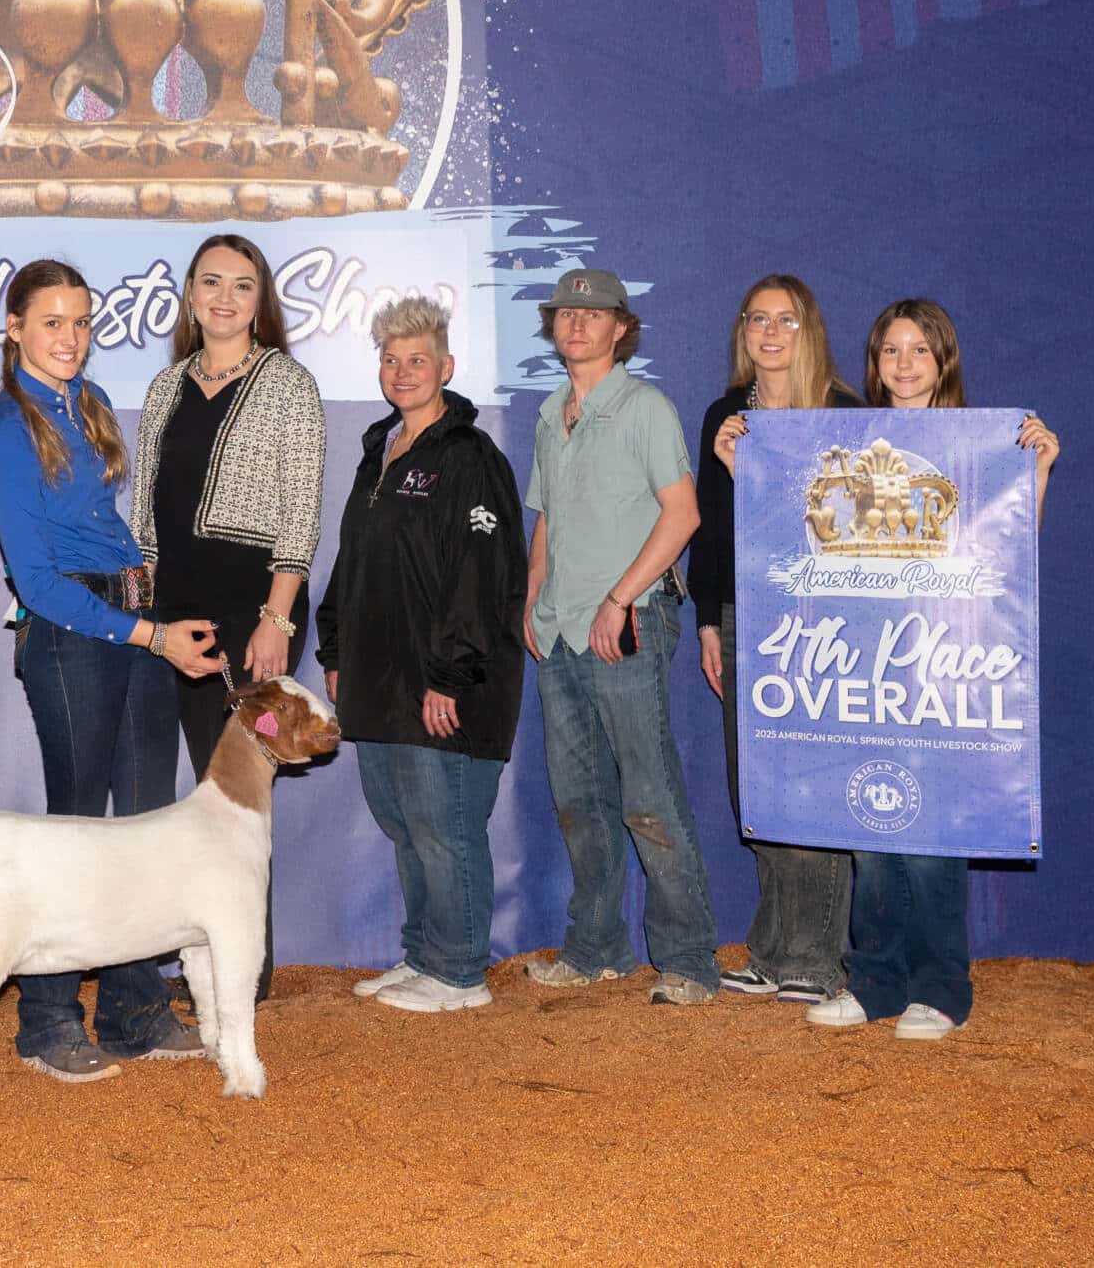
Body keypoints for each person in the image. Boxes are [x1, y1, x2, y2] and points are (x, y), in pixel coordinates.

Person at [0, 258, 216, 1081]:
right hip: (73, 632)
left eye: (80, 322)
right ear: (14, 329)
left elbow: (106, 525)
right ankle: (46, 1019)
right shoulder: (5, 432)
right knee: (74, 831)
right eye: (51, 322)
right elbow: (35, 582)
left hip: (133, 615)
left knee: (143, 827)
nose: (69, 337)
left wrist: (152, 611)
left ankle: (134, 1010)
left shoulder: (91, 402)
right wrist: (151, 636)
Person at [807, 298, 1058, 1041]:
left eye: (920, 349)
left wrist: (1038, 469)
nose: (905, 363)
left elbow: (1010, 546)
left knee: (932, 836)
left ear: (943, 358)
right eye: (891, 349)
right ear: (874, 362)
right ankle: (875, 981)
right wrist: (742, 464)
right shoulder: (846, 444)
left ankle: (941, 989)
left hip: (943, 665)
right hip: (866, 662)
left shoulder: (980, 444)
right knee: (870, 831)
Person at [127, 232, 323, 1000]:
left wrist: (278, 617)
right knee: (204, 796)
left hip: (252, 611)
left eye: (243, 285)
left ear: (260, 300)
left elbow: (300, 512)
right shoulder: (165, 386)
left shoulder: (289, 384)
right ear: (190, 295)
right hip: (175, 617)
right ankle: (202, 952)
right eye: (211, 282)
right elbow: (145, 511)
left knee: (240, 798)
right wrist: (141, 603)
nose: (225, 297)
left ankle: (245, 970)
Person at [318, 296, 526, 1014]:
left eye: (417, 360)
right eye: (391, 360)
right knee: (406, 824)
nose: (402, 372)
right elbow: (353, 560)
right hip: (380, 681)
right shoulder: (379, 451)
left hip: (444, 684)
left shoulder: (470, 457)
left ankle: (462, 972)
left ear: (446, 367)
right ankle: (427, 954)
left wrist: (451, 675)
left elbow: (482, 573)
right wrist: (336, 647)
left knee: (446, 828)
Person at [519, 267, 720, 1004]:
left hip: (627, 622)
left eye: (594, 313)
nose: (577, 323)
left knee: (648, 794)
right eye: (566, 313)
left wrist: (620, 597)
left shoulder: (645, 408)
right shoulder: (551, 414)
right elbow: (547, 515)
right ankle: (597, 947)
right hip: (562, 628)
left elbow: (683, 514)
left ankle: (690, 960)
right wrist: (533, 595)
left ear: (620, 328)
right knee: (579, 799)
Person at [693, 275, 861, 1006]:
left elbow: (843, 528)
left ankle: (818, 957)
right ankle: (770, 950)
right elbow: (711, 525)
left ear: (809, 329)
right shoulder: (726, 414)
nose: (769, 332)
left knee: (812, 779)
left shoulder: (844, 413)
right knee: (757, 782)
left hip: (823, 620)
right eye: (756, 318)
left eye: (785, 320)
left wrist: (752, 470)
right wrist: (708, 618)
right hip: (744, 613)